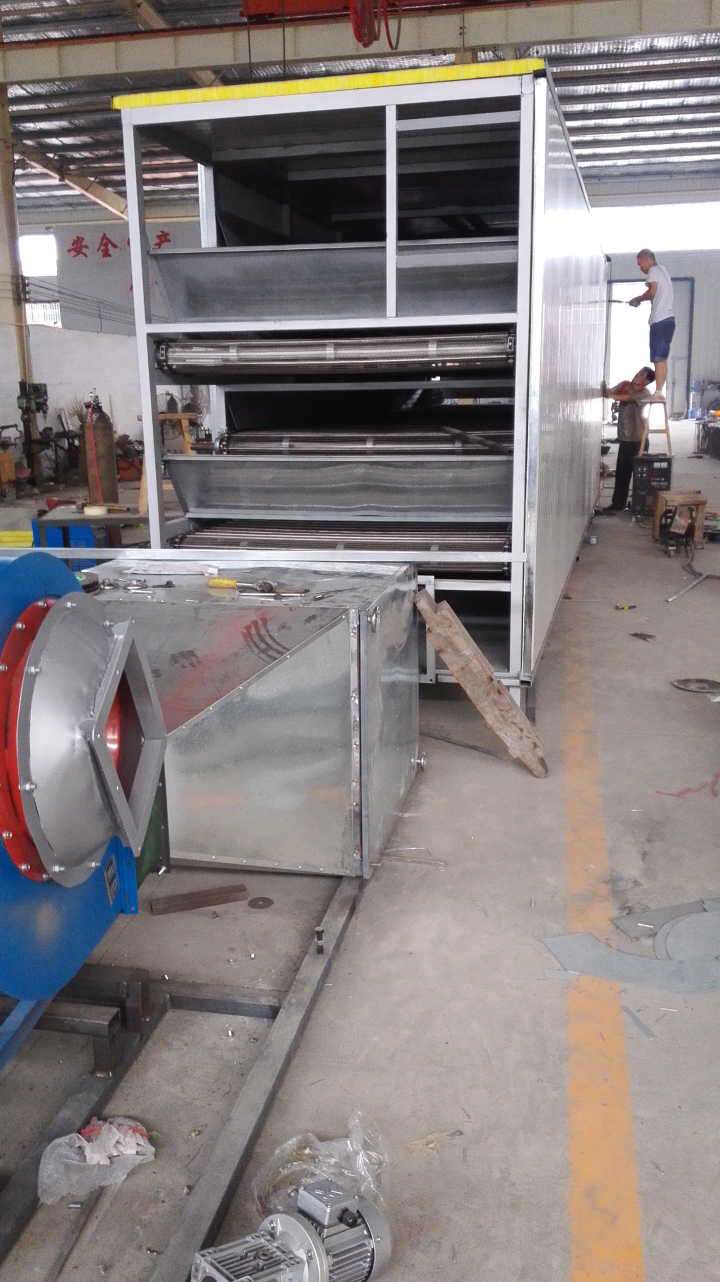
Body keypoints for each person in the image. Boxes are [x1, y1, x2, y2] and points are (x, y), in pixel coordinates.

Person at [597, 366, 655, 515]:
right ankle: (618, 504)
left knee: (640, 476)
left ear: (647, 381)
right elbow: (609, 393)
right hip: (625, 439)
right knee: (622, 473)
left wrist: (611, 394)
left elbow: (625, 398)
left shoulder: (644, 393)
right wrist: (606, 389)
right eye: (639, 372)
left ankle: (640, 506)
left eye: (642, 374)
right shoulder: (625, 384)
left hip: (639, 440)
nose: (637, 374)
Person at [629, 249, 674, 395]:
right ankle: (659, 392)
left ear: (648, 259)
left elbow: (652, 291)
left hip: (660, 320)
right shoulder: (663, 270)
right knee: (661, 359)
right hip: (668, 321)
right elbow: (656, 292)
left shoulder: (653, 270)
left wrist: (638, 299)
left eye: (640, 263)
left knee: (658, 358)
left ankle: (659, 392)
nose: (640, 267)